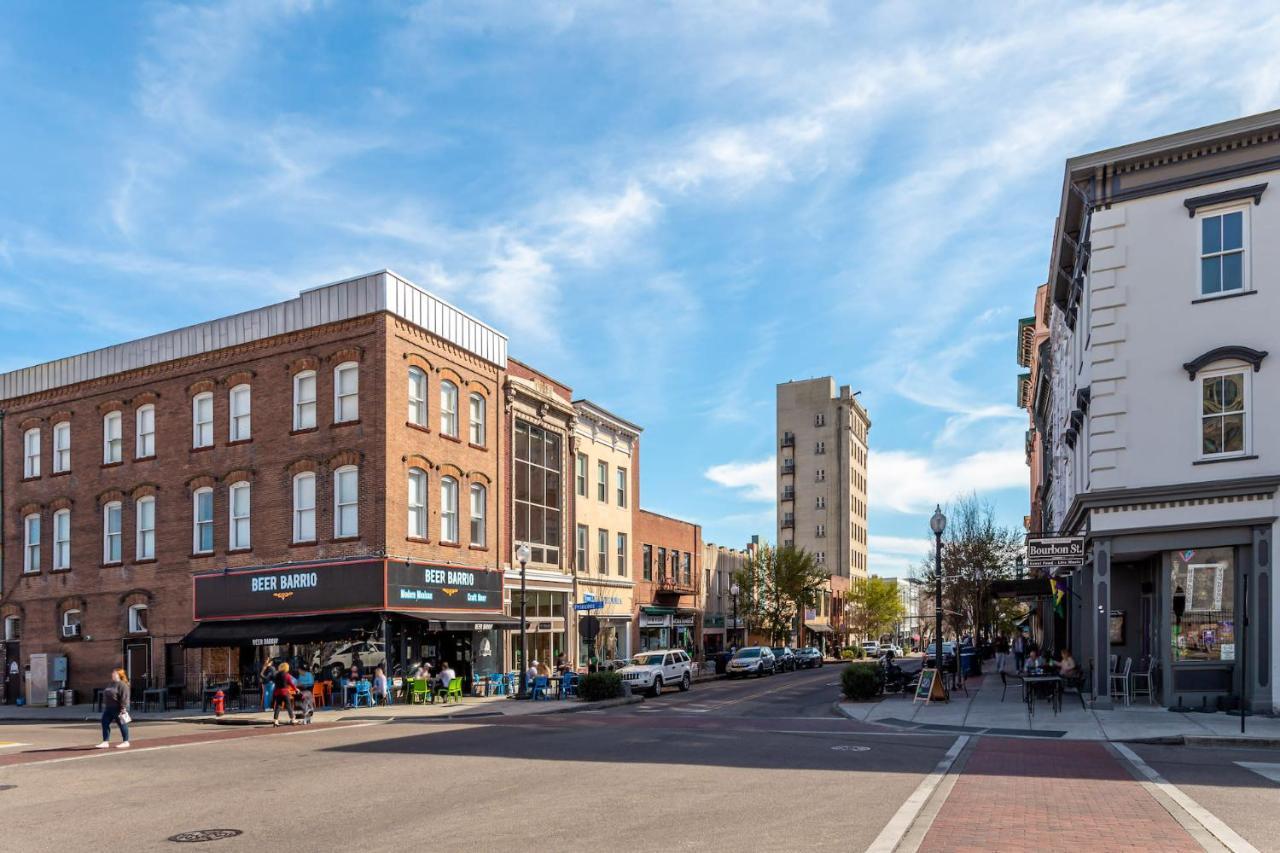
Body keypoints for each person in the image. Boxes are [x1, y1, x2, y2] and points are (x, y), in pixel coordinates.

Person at [96, 668, 131, 749]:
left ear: (119, 675)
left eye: (114, 673)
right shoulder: (111, 684)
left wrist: (123, 708)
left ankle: (126, 741)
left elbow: (125, 697)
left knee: (122, 724)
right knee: (104, 723)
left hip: (118, 708)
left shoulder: (122, 685)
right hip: (108, 708)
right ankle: (105, 742)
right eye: (113, 673)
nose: (112, 674)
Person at [271, 662, 298, 727]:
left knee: (278, 707)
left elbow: (274, 682)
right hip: (285, 692)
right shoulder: (287, 675)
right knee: (288, 706)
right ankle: (292, 719)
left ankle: (275, 721)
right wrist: (296, 689)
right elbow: (291, 683)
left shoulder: (276, 675)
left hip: (277, 692)